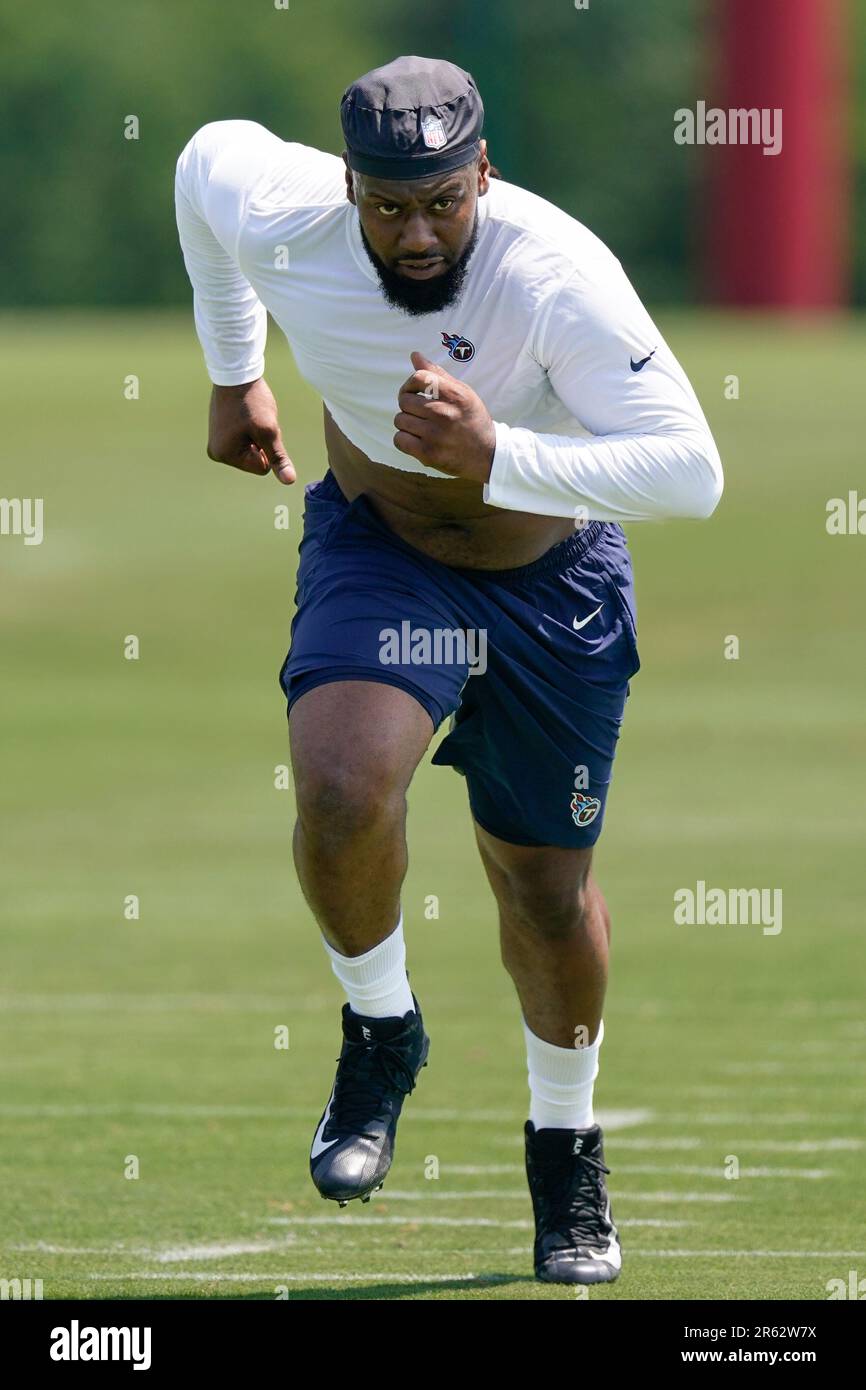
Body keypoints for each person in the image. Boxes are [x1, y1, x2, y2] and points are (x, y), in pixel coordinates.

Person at [175, 54, 723, 1285]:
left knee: (542, 892)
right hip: (383, 552)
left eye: (441, 202)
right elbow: (203, 162)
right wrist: (233, 371)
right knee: (337, 785)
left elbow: (689, 470)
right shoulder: (289, 215)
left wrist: (501, 456)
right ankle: (380, 1028)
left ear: (481, 172)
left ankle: (563, 1145)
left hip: (551, 582)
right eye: (385, 205)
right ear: (348, 188)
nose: (414, 233)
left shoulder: (555, 275)